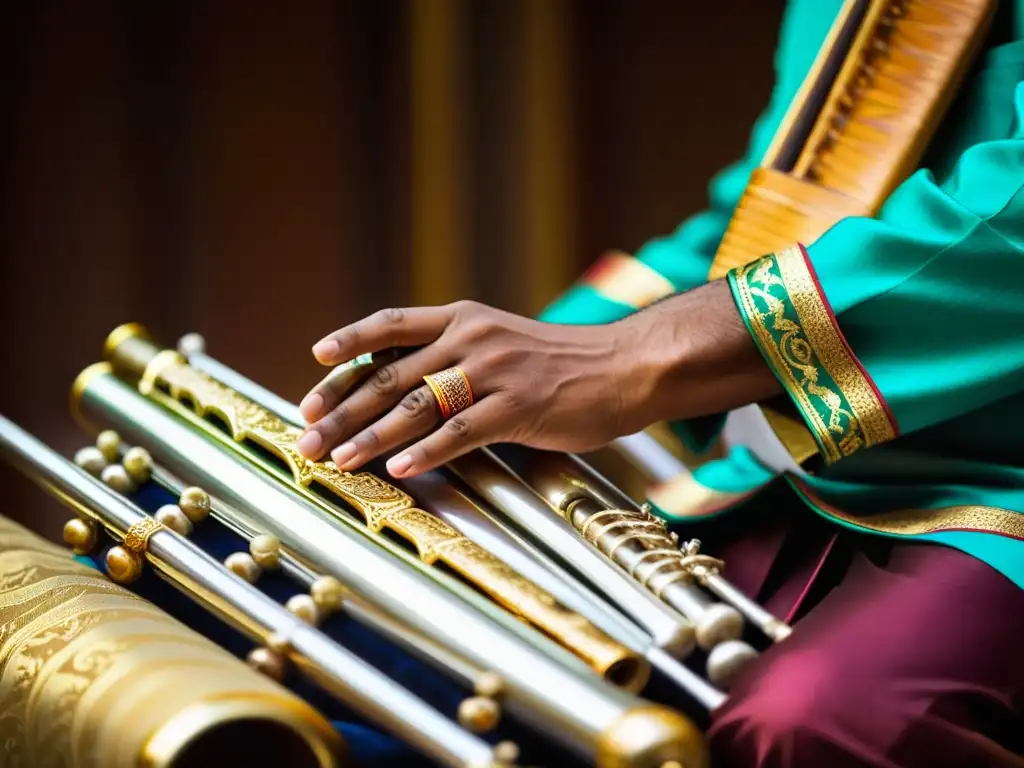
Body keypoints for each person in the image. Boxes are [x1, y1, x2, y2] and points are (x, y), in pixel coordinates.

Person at [295, 1, 1024, 765]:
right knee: (450, 651)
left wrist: (628, 360)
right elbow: (778, 216)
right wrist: (466, 383)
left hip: (1003, 490)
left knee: (809, 724)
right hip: (798, 476)